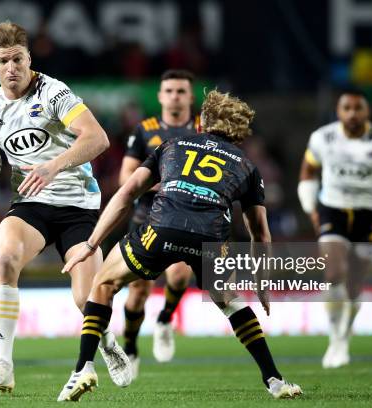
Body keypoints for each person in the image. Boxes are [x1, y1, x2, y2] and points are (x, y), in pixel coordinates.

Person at [57, 90, 302, 402]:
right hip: (210, 239)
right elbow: (260, 233)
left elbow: (128, 191)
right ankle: (275, 380)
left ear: (201, 123)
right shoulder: (248, 167)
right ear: (239, 132)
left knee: (103, 283)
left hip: (161, 228)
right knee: (231, 303)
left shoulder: (172, 145)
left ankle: (84, 368)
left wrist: (91, 244)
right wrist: (262, 282)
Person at [0, 21, 132, 393]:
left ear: (29, 58)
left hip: (77, 206)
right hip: (30, 206)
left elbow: (98, 138)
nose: (12, 67)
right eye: (4, 61)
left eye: (18, 58)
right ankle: (3, 365)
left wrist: (53, 166)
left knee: (85, 299)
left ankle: (108, 341)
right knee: (5, 259)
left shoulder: (52, 92)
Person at [297, 88, 372, 368]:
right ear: (338, 112)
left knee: (354, 287)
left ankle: (345, 333)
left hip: (368, 215)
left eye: (358, 108)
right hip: (333, 210)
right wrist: (311, 208)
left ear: (367, 111)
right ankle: (335, 340)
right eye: (346, 108)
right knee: (334, 273)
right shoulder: (322, 138)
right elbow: (308, 171)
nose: (352, 114)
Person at [120, 69, 197, 377]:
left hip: (187, 216)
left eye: (181, 91)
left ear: (191, 96)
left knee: (179, 277)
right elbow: (126, 177)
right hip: (147, 216)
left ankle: (165, 318)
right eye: (170, 91)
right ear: (160, 96)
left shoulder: (205, 130)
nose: (175, 96)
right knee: (138, 290)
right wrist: (163, 184)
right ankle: (130, 346)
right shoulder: (145, 130)